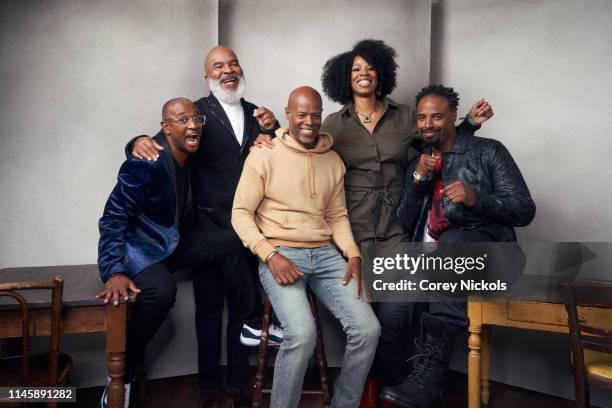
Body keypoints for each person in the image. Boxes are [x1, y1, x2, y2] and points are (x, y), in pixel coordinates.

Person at [252, 39, 494, 403]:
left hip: (399, 229)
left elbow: (438, 137)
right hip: (351, 234)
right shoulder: (332, 123)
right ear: (344, 80)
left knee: (394, 316)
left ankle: (397, 389)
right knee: (368, 323)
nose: (363, 75)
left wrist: (471, 123)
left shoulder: (405, 116)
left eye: (369, 68)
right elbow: (302, 151)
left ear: (381, 73)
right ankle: (378, 388)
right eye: (355, 70)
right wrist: (268, 138)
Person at [127, 46, 281, 406]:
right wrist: (133, 142)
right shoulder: (194, 114)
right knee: (210, 309)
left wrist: (274, 132)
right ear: (207, 76)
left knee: (243, 311)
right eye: (218, 66)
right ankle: (210, 385)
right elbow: (157, 143)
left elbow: (278, 157)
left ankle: (240, 382)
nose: (228, 71)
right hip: (207, 230)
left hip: (250, 229)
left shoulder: (258, 114)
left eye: (232, 64)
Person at [378, 84, 535, 408]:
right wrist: (418, 181)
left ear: (453, 117)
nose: (428, 124)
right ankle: (406, 389)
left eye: (437, 116)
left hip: (487, 257)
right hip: (427, 263)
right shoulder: (418, 164)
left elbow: (524, 209)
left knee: (453, 242)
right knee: (389, 315)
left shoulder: (488, 151)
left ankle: (431, 378)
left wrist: (477, 199)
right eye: (422, 118)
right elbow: (404, 222)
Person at [232, 86, 381, 408]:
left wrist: (352, 254)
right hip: (280, 253)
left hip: (327, 255)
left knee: (368, 330)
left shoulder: (333, 160)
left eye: (315, 115)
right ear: (288, 114)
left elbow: (337, 214)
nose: (309, 122)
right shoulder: (265, 153)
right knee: (301, 335)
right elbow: (240, 213)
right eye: (301, 115)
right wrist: (269, 254)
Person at [98, 98, 208, 407]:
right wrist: (114, 270)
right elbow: (114, 217)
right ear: (166, 128)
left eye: (196, 118)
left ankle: (253, 323)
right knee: (161, 292)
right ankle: (123, 373)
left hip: (171, 243)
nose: (192, 124)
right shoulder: (147, 160)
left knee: (227, 242)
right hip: (140, 251)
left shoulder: (193, 153)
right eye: (182, 119)